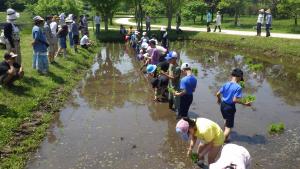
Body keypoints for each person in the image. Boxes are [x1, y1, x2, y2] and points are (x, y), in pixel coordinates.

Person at [216, 68, 251, 142]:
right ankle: (221, 141)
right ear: (239, 77)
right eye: (241, 78)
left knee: (226, 119)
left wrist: (219, 99)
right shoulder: (238, 87)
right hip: (230, 107)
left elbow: (217, 94)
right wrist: (245, 103)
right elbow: (234, 100)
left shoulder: (226, 84)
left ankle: (222, 133)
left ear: (232, 75)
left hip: (223, 105)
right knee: (229, 127)